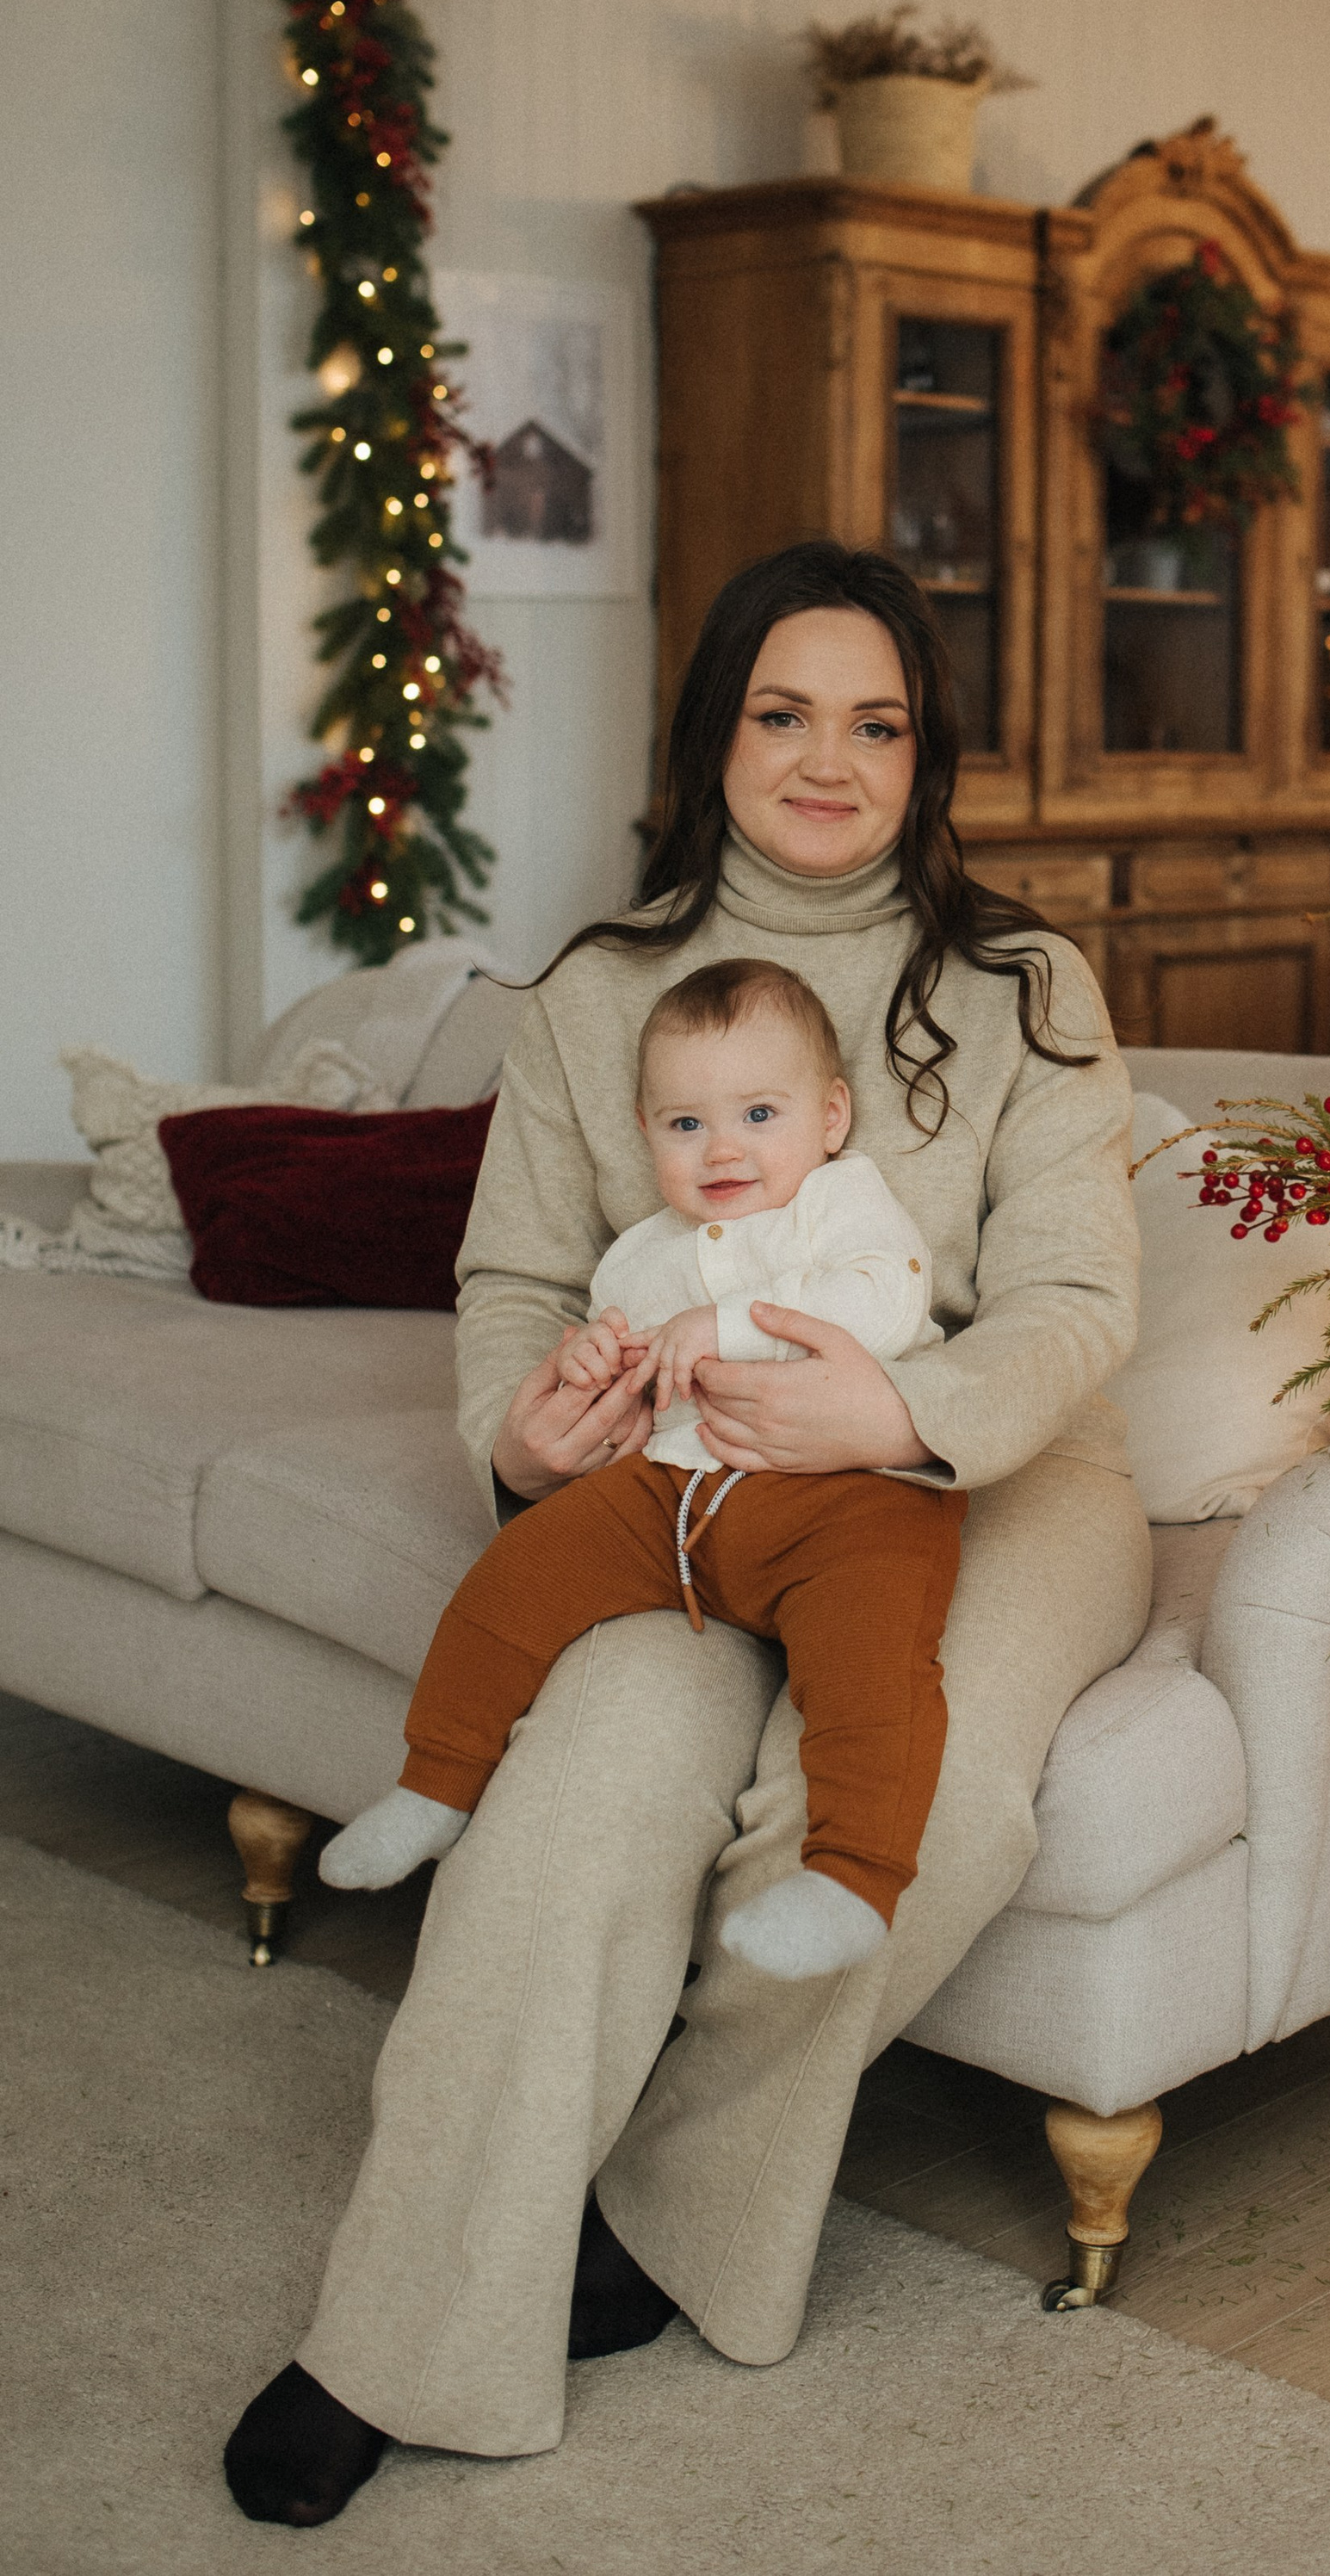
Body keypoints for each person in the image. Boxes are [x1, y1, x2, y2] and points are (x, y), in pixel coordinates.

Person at [224, 539, 1147, 2528]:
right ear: (710, 731)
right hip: (688, 1476)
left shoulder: (1021, 985)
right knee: (594, 1779)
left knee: (936, 1797)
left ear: (929, 752)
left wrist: (897, 1405)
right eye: (782, 711)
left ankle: (646, 2210)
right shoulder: (588, 997)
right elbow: (509, 1287)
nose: (828, 758)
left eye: (877, 720)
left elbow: (1075, 1301)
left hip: (989, 1468)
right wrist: (528, 1427)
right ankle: (392, 2329)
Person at [319, 954, 962, 1984]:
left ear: (831, 1117)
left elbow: (885, 1301)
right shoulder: (639, 1254)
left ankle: (852, 1879)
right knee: (517, 1577)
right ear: (645, 1130)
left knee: (873, 1666)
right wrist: (583, 1365)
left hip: (847, 1497)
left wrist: (730, 1322)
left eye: (759, 1113)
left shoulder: (844, 1204)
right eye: (684, 1124)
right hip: (674, 1496)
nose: (723, 1149)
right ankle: (435, 1785)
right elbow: (609, 1352)